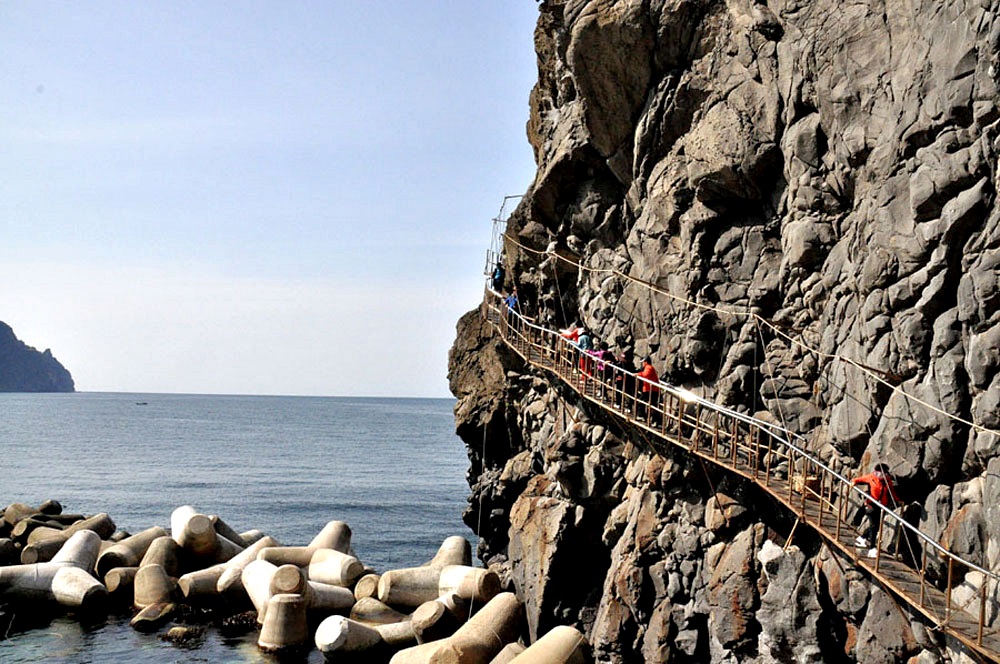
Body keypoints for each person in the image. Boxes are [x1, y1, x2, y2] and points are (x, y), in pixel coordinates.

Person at [851, 463, 900, 553]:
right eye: (876, 473)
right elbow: (859, 479)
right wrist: (854, 482)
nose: (877, 475)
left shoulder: (887, 481)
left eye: (880, 473)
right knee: (873, 525)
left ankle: (862, 538)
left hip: (881, 506)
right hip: (871, 504)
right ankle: (872, 547)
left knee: (876, 526)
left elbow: (891, 492)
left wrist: (897, 500)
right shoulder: (871, 477)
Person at [636, 356, 661, 423]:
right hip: (650, 389)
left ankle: (642, 416)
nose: (642, 364)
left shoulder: (648, 367)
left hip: (650, 389)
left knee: (642, 401)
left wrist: (637, 374)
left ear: (646, 362)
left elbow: (646, 375)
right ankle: (653, 419)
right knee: (651, 405)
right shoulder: (649, 367)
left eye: (643, 362)